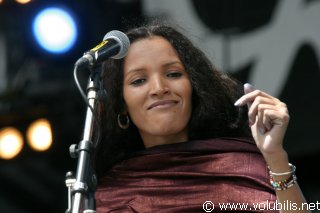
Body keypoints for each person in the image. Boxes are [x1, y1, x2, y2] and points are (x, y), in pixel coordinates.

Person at [93, 23, 311, 212]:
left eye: (173, 74)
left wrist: (275, 157)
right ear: (120, 105)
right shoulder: (112, 192)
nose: (159, 88)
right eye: (139, 80)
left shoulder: (243, 166)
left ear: (194, 88)